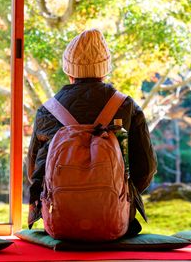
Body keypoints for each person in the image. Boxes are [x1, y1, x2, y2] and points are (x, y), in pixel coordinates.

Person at [26, 28, 157, 237]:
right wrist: (117, 196)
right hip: (116, 222)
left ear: (69, 70)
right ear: (104, 70)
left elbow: (34, 170)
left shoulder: (47, 111)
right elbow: (146, 168)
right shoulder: (126, 106)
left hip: (58, 222)